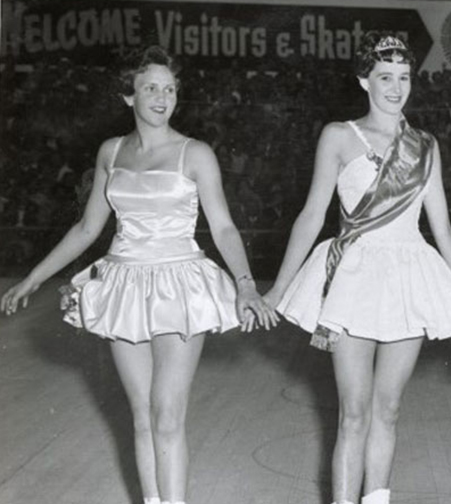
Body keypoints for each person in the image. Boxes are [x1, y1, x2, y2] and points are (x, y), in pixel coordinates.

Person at [0, 46, 277, 504]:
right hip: (124, 284)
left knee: (168, 414)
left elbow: (224, 226)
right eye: (151, 87)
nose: (162, 97)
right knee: (143, 416)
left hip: (180, 283)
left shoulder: (196, 153)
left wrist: (246, 285)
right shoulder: (110, 151)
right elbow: (88, 227)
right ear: (129, 96)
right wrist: (33, 278)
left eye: (169, 89)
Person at [262, 33, 451, 504]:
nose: (396, 87)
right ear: (365, 80)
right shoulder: (339, 135)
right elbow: (311, 214)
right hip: (355, 278)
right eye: (386, 77)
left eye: (404, 78)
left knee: (389, 408)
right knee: (354, 412)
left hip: (408, 275)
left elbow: (441, 228)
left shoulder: (425, 145)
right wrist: (278, 288)